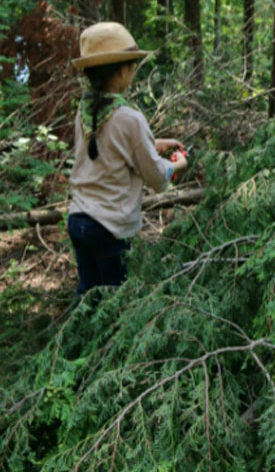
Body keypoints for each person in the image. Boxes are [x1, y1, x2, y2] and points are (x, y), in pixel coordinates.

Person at [68, 22, 188, 295]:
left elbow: (106, 146)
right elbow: (156, 177)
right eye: (133, 65)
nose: (134, 70)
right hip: (109, 227)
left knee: (88, 297)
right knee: (116, 300)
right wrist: (177, 165)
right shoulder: (130, 118)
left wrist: (154, 143)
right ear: (122, 70)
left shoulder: (85, 109)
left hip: (79, 220)